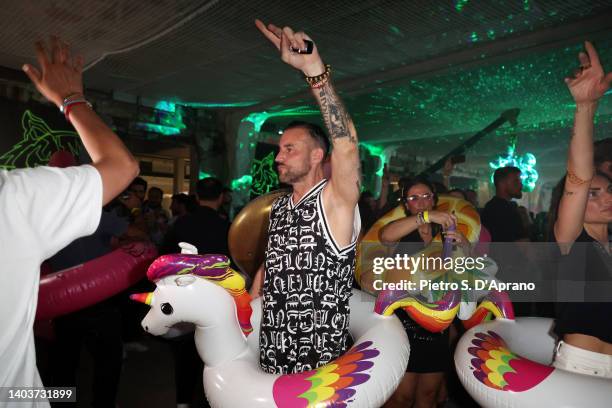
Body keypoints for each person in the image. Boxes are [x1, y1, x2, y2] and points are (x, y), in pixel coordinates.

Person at [0, 37, 138, 405]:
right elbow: (121, 168)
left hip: (77, 303)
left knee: (67, 366)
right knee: (95, 363)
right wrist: (70, 100)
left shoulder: (30, 200)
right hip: (80, 303)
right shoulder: (15, 198)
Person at [249, 20, 361, 375]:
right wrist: (251, 303)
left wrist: (314, 70)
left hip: (318, 372)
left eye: (290, 149)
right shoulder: (280, 205)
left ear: (317, 156)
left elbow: (346, 143)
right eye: (279, 149)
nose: (278, 156)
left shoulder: (335, 200)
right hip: (270, 357)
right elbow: (272, 261)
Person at [549, 41, 612, 378]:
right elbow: (580, 172)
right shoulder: (571, 239)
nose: (606, 198)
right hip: (582, 365)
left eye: (610, 190)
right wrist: (587, 107)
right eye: (593, 194)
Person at [378, 177, 468, 408]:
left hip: (436, 322)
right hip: (403, 322)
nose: (421, 202)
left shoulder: (446, 231)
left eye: (426, 196)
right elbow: (385, 236)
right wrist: (425, 217)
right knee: (401, 396)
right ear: (406, 205)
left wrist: (464, 246)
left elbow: (465, 269)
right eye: (414, 198)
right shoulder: (401, 229)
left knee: (428, 396)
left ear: (435, 200)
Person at [161, 177, 230, 256]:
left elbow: (167, 253)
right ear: (221, 197)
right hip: (217, 268)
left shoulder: (181, 223)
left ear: (197, 197)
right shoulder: (226, 227)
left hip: (186, 267)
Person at [480, 166, 529, 242]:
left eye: (520, 181)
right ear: (501, 184)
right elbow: (523, 246)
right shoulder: (506, 210)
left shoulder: (490, 207)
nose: (521, 185)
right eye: (516, 181)